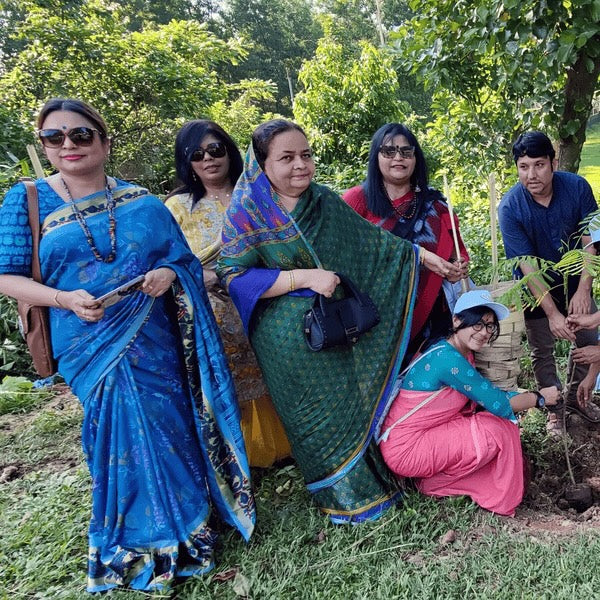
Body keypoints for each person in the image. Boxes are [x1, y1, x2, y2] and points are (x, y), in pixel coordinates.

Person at [0, 99, 255, 593]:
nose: (68, 145)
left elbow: (181, 262)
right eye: (55, 138)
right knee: (116, 436)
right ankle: (137, 540)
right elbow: (6, 276)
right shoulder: (27, 200)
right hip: (88, 343)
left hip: (152, 337)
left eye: (80, 135)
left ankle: (189, 530)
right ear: (45, 146)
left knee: (170, 425)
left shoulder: (142, 202)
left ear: (104, 142)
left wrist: (167, 273)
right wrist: (63, 299)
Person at [217, 119, 456, 523]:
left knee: (348, 403)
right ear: (260, 164)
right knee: (315, 418)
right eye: (287, 158)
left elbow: (376, 245)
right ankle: (341, 500)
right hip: (286, 342)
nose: (300, 166)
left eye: (306, 155)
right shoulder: (248, 212)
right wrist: (304, 277)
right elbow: (233, 274)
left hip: (336, 327)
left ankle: (377, 483)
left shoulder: (322, 201)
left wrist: (425, 258)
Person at [165, 119, 290, 468]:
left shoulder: (255, 194)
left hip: (263, 298)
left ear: (229, 151)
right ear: (186, 162)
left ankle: (286, 442)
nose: (208, 159)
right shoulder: (177, 208)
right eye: (197, 154)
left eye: (216, 150)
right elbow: (167, 263)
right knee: (230, 375)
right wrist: (204, 275)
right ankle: (244, 453)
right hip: (213, 308)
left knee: (271, 367)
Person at [378, 290, 560, 516]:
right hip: (407, 450)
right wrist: (540, 398)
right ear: (456, 320)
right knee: (498, 430)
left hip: (412, 441)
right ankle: (432, 484)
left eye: (490, 326)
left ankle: (434, 481)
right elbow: (499, 404)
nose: (484, 332)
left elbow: (489, 397)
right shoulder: (449, 359)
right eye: (477, 324)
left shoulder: (455, 352)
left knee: (495, 424)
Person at [498, 131, 600, 432]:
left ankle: (577, 398)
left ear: (553, 163)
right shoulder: (510, 208)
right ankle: (554, 409)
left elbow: (590, 240)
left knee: (587, 341)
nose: (532, 175)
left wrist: (583, 289)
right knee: (542, 350)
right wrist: (553, 314)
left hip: (575, 279)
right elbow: (528, 267)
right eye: (524, 166)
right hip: (535, 291)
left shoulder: (577, 187)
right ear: (517, 167)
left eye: (539, 165)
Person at [343, 123, 468, 353]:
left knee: (425, 387)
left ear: (415, 157)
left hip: (429, 319)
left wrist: (458, 268)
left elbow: (457, 253)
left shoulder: (436, 206)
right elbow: (339, 251)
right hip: (373, 319)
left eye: (406, 151)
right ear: (376, 157)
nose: (398, 157)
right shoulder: (357, 200)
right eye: (389, 151)